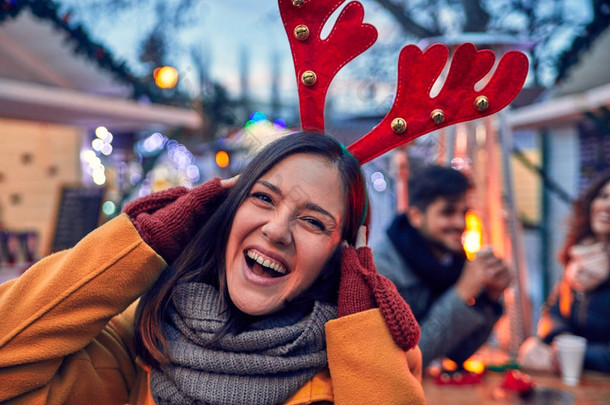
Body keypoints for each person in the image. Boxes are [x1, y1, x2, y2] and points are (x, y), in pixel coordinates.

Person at [0, 132, 424, 404]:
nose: (277, 230)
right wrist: (144, 240)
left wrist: (364, 325)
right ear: (225, 207)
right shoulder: (140, 344)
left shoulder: (352, 380)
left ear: (343, 257)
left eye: (314, 222)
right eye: (263, 198)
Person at [373, 164, 511, 368]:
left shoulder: (452, 262)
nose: (460, 223)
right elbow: (402, 361)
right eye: (447, 212)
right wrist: (461, 292)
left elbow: (459, 352)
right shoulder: (382, 268)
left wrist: (490, 297)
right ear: (416, 217)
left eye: (464, 213)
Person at [519, 170, 610, 374]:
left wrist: (573, 353)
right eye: (603, 196)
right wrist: (559, 338)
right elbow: (554, 310)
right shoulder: (578, 258)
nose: (607, 205)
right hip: (576, 378)